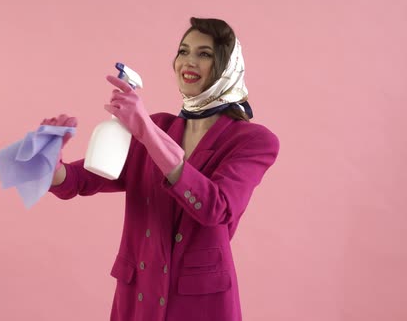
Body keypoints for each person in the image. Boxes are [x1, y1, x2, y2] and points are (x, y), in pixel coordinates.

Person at [42, 17, 280, 321]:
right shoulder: (157, 126)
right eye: (183, 51)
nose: (188, 62)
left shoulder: (253, 140)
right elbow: (82, 180)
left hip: (199, 304)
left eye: (204, 54)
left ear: (227, 66)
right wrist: (51, 164)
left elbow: (216, 208)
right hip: (138, 294)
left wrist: (148, 134)